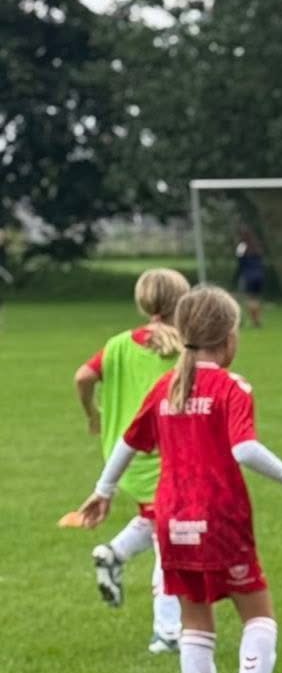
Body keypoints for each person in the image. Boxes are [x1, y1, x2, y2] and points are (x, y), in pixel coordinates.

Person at [73, 286, 282, 673]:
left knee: (195, 622)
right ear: (229, 338)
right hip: (221, 515)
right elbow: (244, 449)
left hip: (171, 517)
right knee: (258, 614)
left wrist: (103, 491)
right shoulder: (232, 387)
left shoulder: (166, 388)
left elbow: (128, 442)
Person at [74, 267, 189, 652]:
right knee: (171, 542)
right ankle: (168, 631)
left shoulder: (119, 345)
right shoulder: (182, 349)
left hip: (123, 456)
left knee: (157, 521)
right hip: (164, 456)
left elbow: (82, 377)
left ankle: (114, 554)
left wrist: (92, 413)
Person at [233, 227, 265, 328]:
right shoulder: (256, 246)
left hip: (248, 275)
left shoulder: (241, 247)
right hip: (260, 275)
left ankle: (248, 320)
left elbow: (240, 262)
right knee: (256, 298)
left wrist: (237, 276)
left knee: (249, 298)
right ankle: (257, 319)